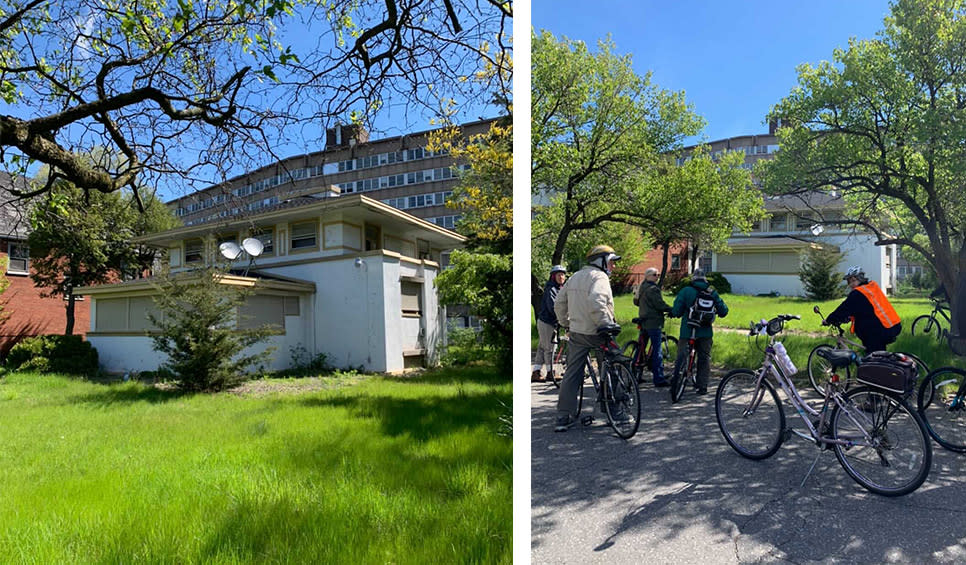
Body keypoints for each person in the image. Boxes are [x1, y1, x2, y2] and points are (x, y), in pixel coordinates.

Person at [553, 245, 620, 432]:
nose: (613, 267)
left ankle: (563, 416)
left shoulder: (574, 277)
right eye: (611, 262)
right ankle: (615, 412)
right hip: (598, 332)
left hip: (577, 332)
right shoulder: (600, 277)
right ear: (602, 261)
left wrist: (566, 323)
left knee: (572, 373)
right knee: (613, 367)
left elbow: (559, 303)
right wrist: (605, 324)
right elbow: (596, 300)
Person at [670, 268, 728, 396]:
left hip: (688, 330)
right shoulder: (712, 292)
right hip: (705, 332)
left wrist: (675, 313)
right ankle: (702, 387)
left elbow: (676, 311)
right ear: (705, 279)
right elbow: (724, 311)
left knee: (681, 356)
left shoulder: (685, 291)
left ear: (693, 279)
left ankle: (678, 379)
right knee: (704, 358)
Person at [824, 266, 901, 353]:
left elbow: (844, 308)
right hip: (892, 325)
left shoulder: (858, 293)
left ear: (860, 279)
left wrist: (829, 320)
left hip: (881, 329)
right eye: (849, 281)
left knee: (873, 357)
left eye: (853, 280)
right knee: (878, 354)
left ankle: (875, 365)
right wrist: (848, 318)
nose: (851, 284)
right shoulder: (871, 287)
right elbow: (865, 309)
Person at [637, 267, 673, 387]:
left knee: (640, 348)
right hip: (653, 322)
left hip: (643, 320)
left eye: (658, 274)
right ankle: (659, 378)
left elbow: (636, 301)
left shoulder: (642, 287)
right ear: (648, 276)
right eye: (654, 275)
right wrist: (671, 309)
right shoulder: (653, 289)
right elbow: (659, 304)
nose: (657, 276)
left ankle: (636, 374)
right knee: (657, 350)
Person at [532, 265, 567, 382]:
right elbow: (553, 308)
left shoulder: (558, 289)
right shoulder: (551, 289)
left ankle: (536, 372)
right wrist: (563, 319)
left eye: (563, 274)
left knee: (542, 348)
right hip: (547, 322)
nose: (561, 277)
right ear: (553, 277)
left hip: (547, 321)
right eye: (559, 275)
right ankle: (550, 373)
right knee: (550, 348)